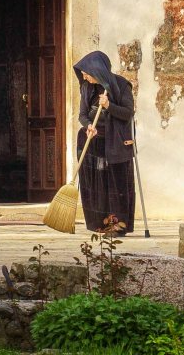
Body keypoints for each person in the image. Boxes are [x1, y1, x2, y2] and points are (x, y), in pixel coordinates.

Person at [73, 50, 136, 234]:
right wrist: (88, 126)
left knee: (116, 183)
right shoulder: (87, 87)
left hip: (115, 141)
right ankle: (98, 224)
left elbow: (127, 113)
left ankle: (117, 226)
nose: (84, 76)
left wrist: (109, 106)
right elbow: (83, 115)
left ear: (97, 70)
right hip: (93, 141)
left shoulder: (122, 86)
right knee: (96, 183)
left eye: (86, 72)